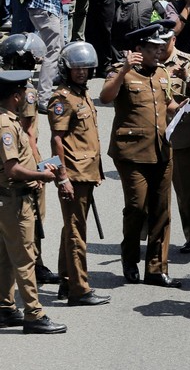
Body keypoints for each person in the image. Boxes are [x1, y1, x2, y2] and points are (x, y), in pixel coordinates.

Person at [99, 23, 181, 288]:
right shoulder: (122, 73)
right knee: (136, 207)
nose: (158, 53)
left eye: (160, 48)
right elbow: (105, 96)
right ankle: (130, 257)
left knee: (161, 211)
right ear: (138, 49)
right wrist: (123, 70)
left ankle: (157, 268)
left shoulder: (162, 74)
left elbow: (167, 105)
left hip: (161, 150)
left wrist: (181, 107)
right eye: (152, 49)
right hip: (131, 153)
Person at [0, 68, 67, 334]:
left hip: (8, 200)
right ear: (15, 96)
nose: (24, 97)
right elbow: (12, 169)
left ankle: (5, 308)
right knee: (25, 259)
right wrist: (43, 175)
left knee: (5, 256)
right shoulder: (6, 125)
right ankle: (34, 314)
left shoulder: (8, 120)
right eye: (22, 93)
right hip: (15, 201)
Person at [47, 42, 109, 307]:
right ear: (67, 69)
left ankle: (66, 280)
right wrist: (63, 177)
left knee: (71, 229)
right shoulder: (62, 98)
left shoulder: (81, 94)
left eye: (85, 68)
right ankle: (79, 289)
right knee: (76, 233)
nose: (82, 72)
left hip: (86, 172)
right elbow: (57, 140)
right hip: (73, 174)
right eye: (77, 68)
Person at [159, 26, 190, 255]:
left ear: (173, 40)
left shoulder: (186, 60)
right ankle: (156, 235)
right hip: (156, 133)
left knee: (186, 189)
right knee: (156, 189)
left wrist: (185, 76)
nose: (160, 45)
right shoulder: (149, 60)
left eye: (165, 41)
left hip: (181, 133)